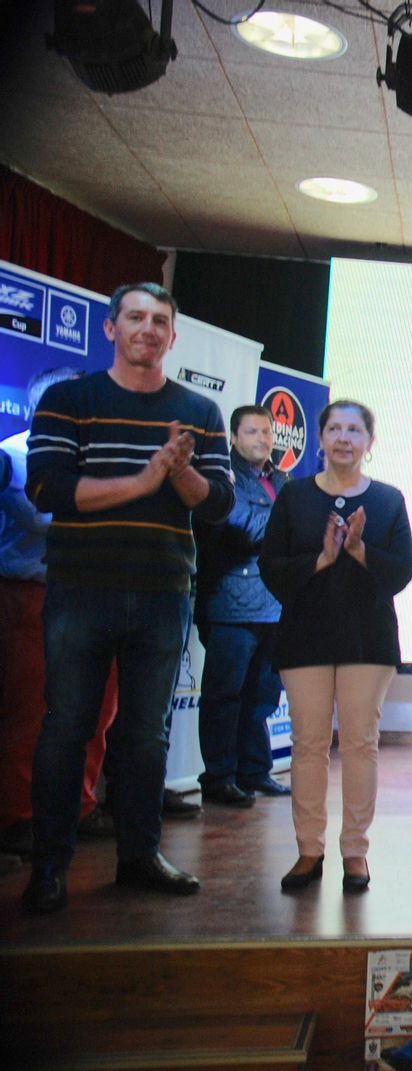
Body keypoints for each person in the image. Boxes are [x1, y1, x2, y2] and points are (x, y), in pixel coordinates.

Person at [19, 283, 234, 914]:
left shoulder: (199, 410)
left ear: (172, 336)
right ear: (111, 329)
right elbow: (47, 488)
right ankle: (49, 867)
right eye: (135, 317)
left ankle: (139, 855)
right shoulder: (69, 398)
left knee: (145, 736)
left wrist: (181, 472)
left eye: (159, 320)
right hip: (81, 589)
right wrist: (144, 479)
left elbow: (217, 504)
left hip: (164, 592)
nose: (147, 328)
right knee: (66, 730)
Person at [260, 400, 412, 893]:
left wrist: (360, 552)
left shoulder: (388, 500)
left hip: (367, 638)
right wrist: (324, 559)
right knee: (307, 744)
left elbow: (402, 571)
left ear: (370, 441)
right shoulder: (294, 496)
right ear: (321, 439)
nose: (344, 438)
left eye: (354, 430)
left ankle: (355, 853)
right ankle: (309, 850)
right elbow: (271, 567)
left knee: (360, 744)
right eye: (334, 429)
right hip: (305, 634)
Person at [1, 366, 123, 858]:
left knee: (98, 708)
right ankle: (16, 817)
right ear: (38, 405)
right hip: (30, 595)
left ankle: (81, 805)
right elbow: (51, 520)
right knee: (30, 710)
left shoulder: (108, 459)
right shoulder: (12, 455)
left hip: (99, 593)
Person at [194, 404, 290, 809]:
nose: (261, 440)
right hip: (230, 604)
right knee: (224, 696)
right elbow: (242, 524)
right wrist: (292, 522)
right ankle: (219, 777)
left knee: (263, 697)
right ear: (233, 438)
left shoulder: (281, 480)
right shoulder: (221, 476)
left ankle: (254, 770)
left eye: (266, 433)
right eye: (251, 432)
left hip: (275, 605)